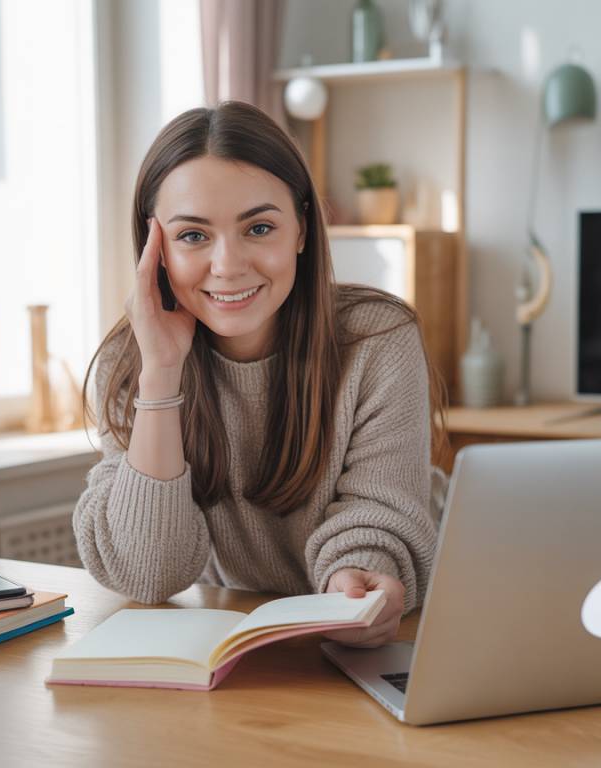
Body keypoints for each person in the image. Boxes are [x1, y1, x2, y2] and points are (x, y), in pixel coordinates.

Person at [74, 100, 447, 649]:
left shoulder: (376, 340)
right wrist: (161, 374)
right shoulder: (132, 364)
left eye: (259, 227)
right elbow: (148, 576)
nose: (228, 264)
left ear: (301, 229)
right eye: (193, 236)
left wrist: (361, 581)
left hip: (391, 637)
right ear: (155, 249)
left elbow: (379, 512)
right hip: (240, 650)